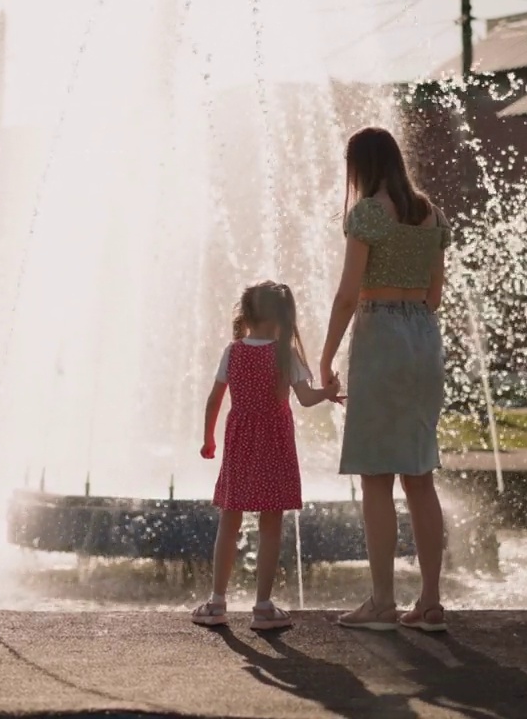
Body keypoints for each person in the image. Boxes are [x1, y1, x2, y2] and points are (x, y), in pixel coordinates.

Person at [319, 127, 451, 633]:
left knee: (376, 475)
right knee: (420, 476)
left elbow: (348, 295)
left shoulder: (368, 213)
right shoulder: (430, 212)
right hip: (424, 338)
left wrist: (328, 359)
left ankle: (381, 602)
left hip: (381, 338)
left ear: (361, 166)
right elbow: (435, 293)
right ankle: (432, 603)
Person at [192, 280, 341, 631]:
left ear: (246, 313)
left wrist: (208, 439)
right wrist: (329, 392)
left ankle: (216, 602)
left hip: (240, 441)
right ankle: (262, 606)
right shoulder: (285, 354)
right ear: (284, 317)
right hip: (275, 443)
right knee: (270, 523)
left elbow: (215, 399)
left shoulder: (234, 352)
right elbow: (305, 399)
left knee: (229, 519)